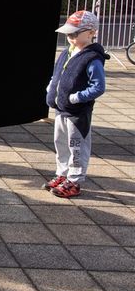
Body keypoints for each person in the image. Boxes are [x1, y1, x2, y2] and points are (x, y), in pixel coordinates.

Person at [45, 10, 108, 198]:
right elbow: (57, 73)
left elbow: (98, 86)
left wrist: (78, 97)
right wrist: (51, 86)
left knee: (77, 147)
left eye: (74, 33)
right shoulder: (67, 52)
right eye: (68, 33)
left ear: (91, 33)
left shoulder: (92, 58)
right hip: (61, 109)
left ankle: (74, 180)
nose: (70, 37)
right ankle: (62, 173)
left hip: (77, 113)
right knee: (61, 144)